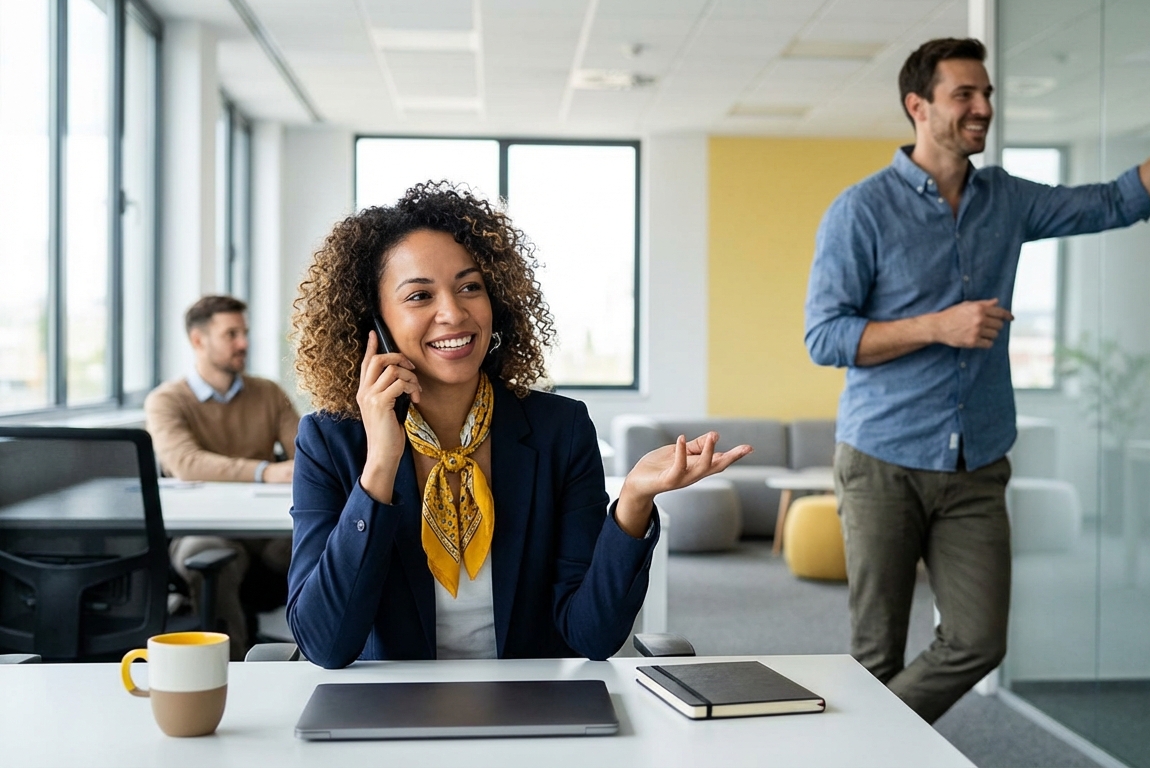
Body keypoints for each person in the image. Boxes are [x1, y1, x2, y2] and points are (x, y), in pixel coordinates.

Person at [803, 36, 1150, 722]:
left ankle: (863, 745)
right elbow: (825, 337)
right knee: (876, 654)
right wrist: (936, 326)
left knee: (977, 639)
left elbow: (1117, 202)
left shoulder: (1004, 199)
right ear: (918, 106)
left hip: (977, 462)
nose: (983, 108)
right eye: (964, 95)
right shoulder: (861, 211)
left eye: (988, 95)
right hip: (882, 459)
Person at [287, 181, 750, 668]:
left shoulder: (560, 429)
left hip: (531, 703)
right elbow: (326, 645)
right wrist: (380, 465)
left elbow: (591, 636)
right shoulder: (330, 440)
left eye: (470, 287)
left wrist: (633, 500)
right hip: (390, 711)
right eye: (419, 296)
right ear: (374, 321)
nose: (453, 312)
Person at [144, 295, 299, 660]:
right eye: (231, 334)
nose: (243, 343)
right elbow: (186, 463)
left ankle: (323, 660)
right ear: (198, 340)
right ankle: (229, 670)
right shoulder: (166, 401)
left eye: (243, 332)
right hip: (202, 528)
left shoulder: (268, 393)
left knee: (329, 542)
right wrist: (265, 471)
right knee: (207, 556)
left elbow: (306, 452)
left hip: (268, 531)